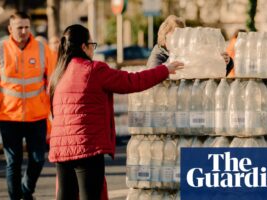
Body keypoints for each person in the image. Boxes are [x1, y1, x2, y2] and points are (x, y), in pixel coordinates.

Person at [48, 24, 184, 200]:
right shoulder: (94, 70)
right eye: (92, 44)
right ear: (83, 47)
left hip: (61, 148)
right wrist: (165, 69)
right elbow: (132, 81)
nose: (93, 49)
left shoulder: (58, 74)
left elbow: (53, 110)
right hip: (86, 147)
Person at [0, 12, 54, 200]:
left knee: (38, 160)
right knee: (13, 163)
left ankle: (26, 191)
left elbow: (55, 82)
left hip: (37, 117)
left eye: (27, 27)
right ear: (10, 29)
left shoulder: (42, 49)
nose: (24, 31)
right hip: (9, 118)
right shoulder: (0, 51)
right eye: (19, 27)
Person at [146, 15, 233, 75]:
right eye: (175, 37)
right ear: (164, 39)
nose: (179, 40)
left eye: (181, 35)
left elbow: (206, 70)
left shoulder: (183, 51)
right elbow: (154, 79)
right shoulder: (157, 57)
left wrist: (223, 61)